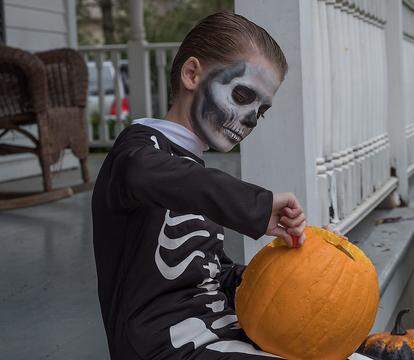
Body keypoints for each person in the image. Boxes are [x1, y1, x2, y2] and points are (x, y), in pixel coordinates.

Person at [92, 12, 307, 359]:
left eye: (261, 110)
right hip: (163, 348)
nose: (251, 118)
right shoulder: (136, 154)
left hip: (222, 329)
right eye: (241, 95)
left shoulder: (191, 170)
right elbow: (146, 174)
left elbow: (210, 271)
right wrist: (255, 205)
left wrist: (283, 278)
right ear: (192, 74)